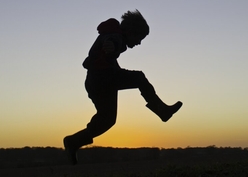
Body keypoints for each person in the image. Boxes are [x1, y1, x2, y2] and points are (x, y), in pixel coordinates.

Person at [63, 10, 182, 165]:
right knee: (139, 78)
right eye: (139, 38)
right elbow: (111, 41)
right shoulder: (115, 37)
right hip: (103, 80)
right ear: (130, 32)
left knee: (107, 120)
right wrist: (111, 46)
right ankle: (162, 110)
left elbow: (104, 47)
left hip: (97, 82)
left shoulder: (113, 34)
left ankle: (73, 141)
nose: (139, 43)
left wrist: (110, 49)